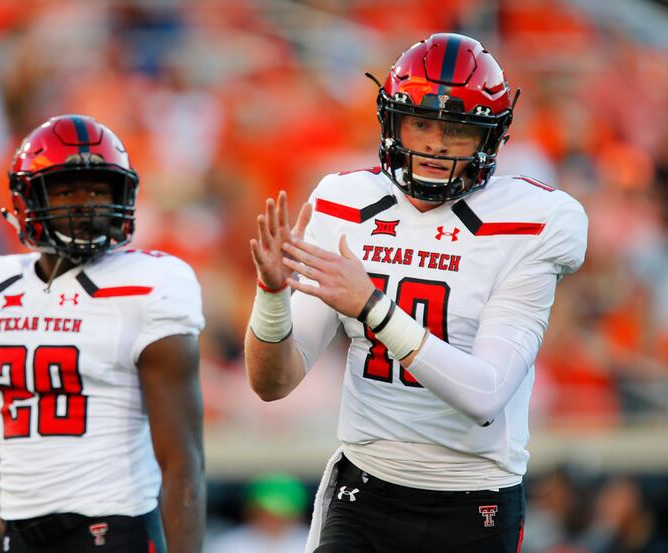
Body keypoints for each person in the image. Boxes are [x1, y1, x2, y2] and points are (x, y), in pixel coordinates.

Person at [245, 33, 588, 553]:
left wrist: (372, 308)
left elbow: (486, 394)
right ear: (392, 122)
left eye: (457, 129)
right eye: (422, 123)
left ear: (489, 138)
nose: (435, 144)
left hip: (474, 498)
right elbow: (274, 382)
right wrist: (271, 296)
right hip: (364, 490)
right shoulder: (343, 202)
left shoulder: (535, 220)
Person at [0, 115, 205, 553]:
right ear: (28, 199)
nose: (86, 204)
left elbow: (182, 462)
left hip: (113, 528)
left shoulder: (152, 284)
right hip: (20, 534)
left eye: (99, 191)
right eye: (66, 190)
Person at [205, 474, 309, 553]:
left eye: (283, 514)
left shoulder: (314, 545)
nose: (274, 520)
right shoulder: (227, 546)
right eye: (267, 513)